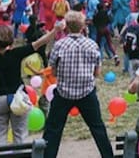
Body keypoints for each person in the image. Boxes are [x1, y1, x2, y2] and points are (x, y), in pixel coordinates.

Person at [43, 10, 114, 158]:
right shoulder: (92, 45)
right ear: (83, 27)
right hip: (87, 92)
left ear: (67, 27)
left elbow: (53, 70)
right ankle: (108, 155)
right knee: (98, 127)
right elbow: (97, 72)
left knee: (53, 129)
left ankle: (48, 155)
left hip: (63, 92)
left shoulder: (59, 45)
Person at [0, 22, 60, 145]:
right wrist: (55, 30)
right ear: (11, 40)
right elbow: (40, 42)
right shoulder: (17, 53)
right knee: (19, 136)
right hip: (18, 98)